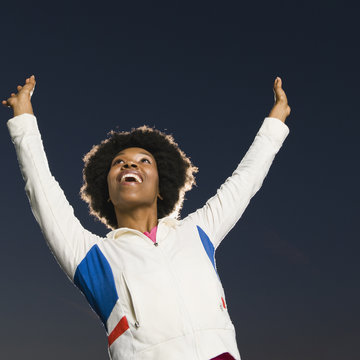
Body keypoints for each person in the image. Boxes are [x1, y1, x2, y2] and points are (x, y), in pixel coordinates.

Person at [2, 75, 291, 360]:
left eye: (144, 161)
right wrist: (23, 119)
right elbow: (41, 190)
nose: (130, 163)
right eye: (119, 163)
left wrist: (276, 123)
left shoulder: (198, 232)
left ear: (161, 188)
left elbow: (244, 181)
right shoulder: (93, 257)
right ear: (108, 192)